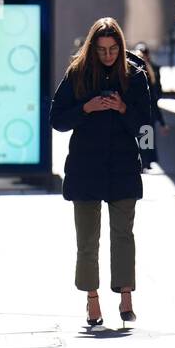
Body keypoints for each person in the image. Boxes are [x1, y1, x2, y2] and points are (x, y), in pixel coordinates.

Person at [49, 17, 151, 328]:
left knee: (123, 234)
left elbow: (145, 128)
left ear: (121, 48)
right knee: (87, 238)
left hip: (122, 166)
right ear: (92, 49)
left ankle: (125, 294)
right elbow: (56, 118)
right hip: (86, 166)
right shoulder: (77, 74)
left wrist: (122, 109)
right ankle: (91, 298)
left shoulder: (134, 76)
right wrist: (86, 109)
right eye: (102, 50)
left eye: (113, 50)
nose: (107, 56)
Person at [133, 42, 167, 170]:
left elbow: (154, 97)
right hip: (142, 111)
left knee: (145, 138)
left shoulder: (151, 71)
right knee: (143, 137)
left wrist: (162, 122)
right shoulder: (139, 72)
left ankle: (145, 161)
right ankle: (144, 161)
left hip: (146, 111)